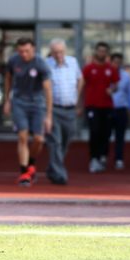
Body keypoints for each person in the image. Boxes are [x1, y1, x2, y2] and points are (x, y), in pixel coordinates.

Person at [3, 37, 53, 186]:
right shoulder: (14, 61)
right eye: (21, 51)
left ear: (33, 49)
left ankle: (31, 162)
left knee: (39, 139)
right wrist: (7, 100)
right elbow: (8, 78)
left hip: (37, 104)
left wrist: (49, 116)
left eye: (27, 51)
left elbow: (48, 90)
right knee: (23, 136)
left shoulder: (41, 63)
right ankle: (24, 172)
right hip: (19, 102)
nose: (24, 54)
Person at [45, 39, 83, 185]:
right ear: (51, 52)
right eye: (55, 52)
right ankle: (60, 175)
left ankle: (52, 168)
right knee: (55, 142)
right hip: (53, 108)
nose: (59, 55)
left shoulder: (73, 62)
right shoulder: (46, 64)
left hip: (70, 109)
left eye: (61, 52)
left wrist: (77, 98)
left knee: (66, 141)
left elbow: (80, 79)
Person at [81, 42, 120, 173]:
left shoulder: (111, 69)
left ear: (107, 53)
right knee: (94, 131)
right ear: (96, 52)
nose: (101, 53)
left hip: (107, 106)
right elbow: (81, 85)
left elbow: (116, 84)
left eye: (104, 51)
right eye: (100, 51)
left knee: (106, 132)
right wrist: (79, 104)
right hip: (92, 105)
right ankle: (94, 158)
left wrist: (112, 89)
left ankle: (103, 155)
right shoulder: (88, 68)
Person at [110, 52, 130, 170]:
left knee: (120, 135)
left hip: (121, 108)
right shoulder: (106, 73)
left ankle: (119, 159)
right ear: (111, 62)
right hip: (107, 108)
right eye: (115, 62)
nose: (117, 64)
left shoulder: (126, 76)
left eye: (119, 62)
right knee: (104, 134)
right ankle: (102, 156)